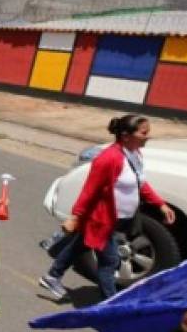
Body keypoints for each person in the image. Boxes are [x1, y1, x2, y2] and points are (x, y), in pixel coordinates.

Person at [39, 115, 175, 301]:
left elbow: (140, 183)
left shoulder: (135, 154)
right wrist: (75, 216)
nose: (148, 136)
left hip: (118, 219)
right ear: (126, 136)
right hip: (102, 219)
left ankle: (52, 276)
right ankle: (109, 303)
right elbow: (90, 190)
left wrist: (161, 204)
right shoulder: (108, 158)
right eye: (144, 133)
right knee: (109, 260)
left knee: (82, 244)